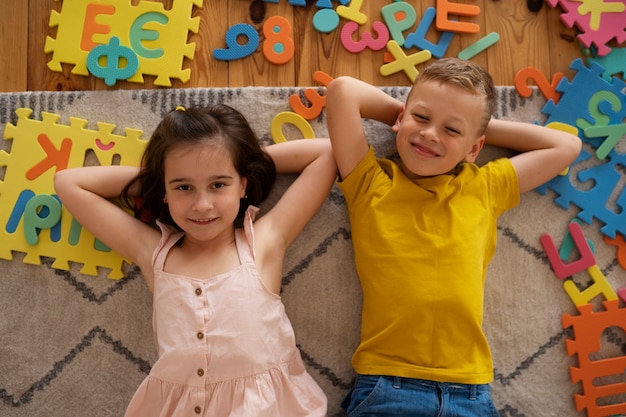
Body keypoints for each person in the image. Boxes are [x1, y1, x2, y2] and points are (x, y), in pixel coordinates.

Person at [325, 58, 582, 416]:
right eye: (422, 118)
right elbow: (342, 91)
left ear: (476, 150)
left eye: (451, 130)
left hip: (470, 391)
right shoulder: (371, 183)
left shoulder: (484, 186)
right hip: (389, 385)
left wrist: (477, 129)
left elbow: (566, 146)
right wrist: (408, 122)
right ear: (401, 117)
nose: (430, 135)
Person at [54, 104, 336, 417]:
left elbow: (326, 153)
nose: (202, 205)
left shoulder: (265, 243)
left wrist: (244, 161)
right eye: (184, 187)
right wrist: (157, 179)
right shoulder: (154, 254)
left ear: (242, 185)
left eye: (218, 184)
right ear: (164, 191)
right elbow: (68, 183)